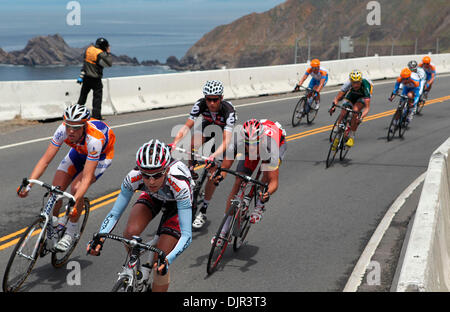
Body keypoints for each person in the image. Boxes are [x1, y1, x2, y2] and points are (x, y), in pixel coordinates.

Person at [87, 140, 193, 292]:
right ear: (139, 170)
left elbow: (187, 235)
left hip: (178, 204)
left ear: (166, 170)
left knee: (159, 266)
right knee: (130, 232)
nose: (151, 181)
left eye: (157, 175)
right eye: (146, 174)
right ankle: (135, 270)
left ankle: (154, 269)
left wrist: (167, 259)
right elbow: (115, 213)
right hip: (155, 196)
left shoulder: (179, 183)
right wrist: (100, 237)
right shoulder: (133, 177)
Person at [18, 104, 116, 252]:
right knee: (55, 191)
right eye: (68, 126)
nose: (70, 131)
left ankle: (70, 233)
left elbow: (87, 177)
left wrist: (74, 200)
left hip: (101, 156)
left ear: (84, 126)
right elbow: (45, 160)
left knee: (76, 189)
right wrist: (29, 185)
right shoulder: (62, 130)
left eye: (76, 128)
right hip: (78, 152)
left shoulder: (94, 140)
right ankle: (55, 226)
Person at [170, 80, 237, 230]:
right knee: (191, 143)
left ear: (221, 98)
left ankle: (204, 210)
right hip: (208, 128)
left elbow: (226, 141)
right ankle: (191, 171)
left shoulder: (228, 110)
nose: (212, 103)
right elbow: (186, 127)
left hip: (226, 137)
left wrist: (214, 155)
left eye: (215, 99)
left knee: (215, 175)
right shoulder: (200, 104)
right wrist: (175, 143)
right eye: (209, 99)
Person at [211, 119, 287, 246]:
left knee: (267, 173)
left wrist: (267, 193)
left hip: (277, 144)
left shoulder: (270, 145)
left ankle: (259, 205)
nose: (251, 147)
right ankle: (223, 231)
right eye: (248, 143)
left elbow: (274, 183)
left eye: (254, 143)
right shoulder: (238, 138)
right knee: (238, 181)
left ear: (261, 139)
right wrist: (220, 175)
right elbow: (225, 166)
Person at [329, 70, 373, 149]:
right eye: (353, 83)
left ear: (360, 81)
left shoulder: (365, 85)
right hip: (352, 95)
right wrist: (333, 107)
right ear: (350, 81)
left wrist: (361, 117)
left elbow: (367, 108)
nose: (355, 85)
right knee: (343, 111)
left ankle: (351, 137)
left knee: (355, 111)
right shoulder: (347, 84)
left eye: (357, 83)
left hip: (362, 96)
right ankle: (338, 134)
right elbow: (337, 98)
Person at [77, 37, 113, 120]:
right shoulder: (101, 53)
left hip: (86, 77)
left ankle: (76, 113)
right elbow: (109, 63)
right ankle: (96, 116)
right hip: (95, 78)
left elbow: (85, 63)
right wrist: (108, 53)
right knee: (97, 98)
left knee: (82, 97)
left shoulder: (89, 49)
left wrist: (81, 76)